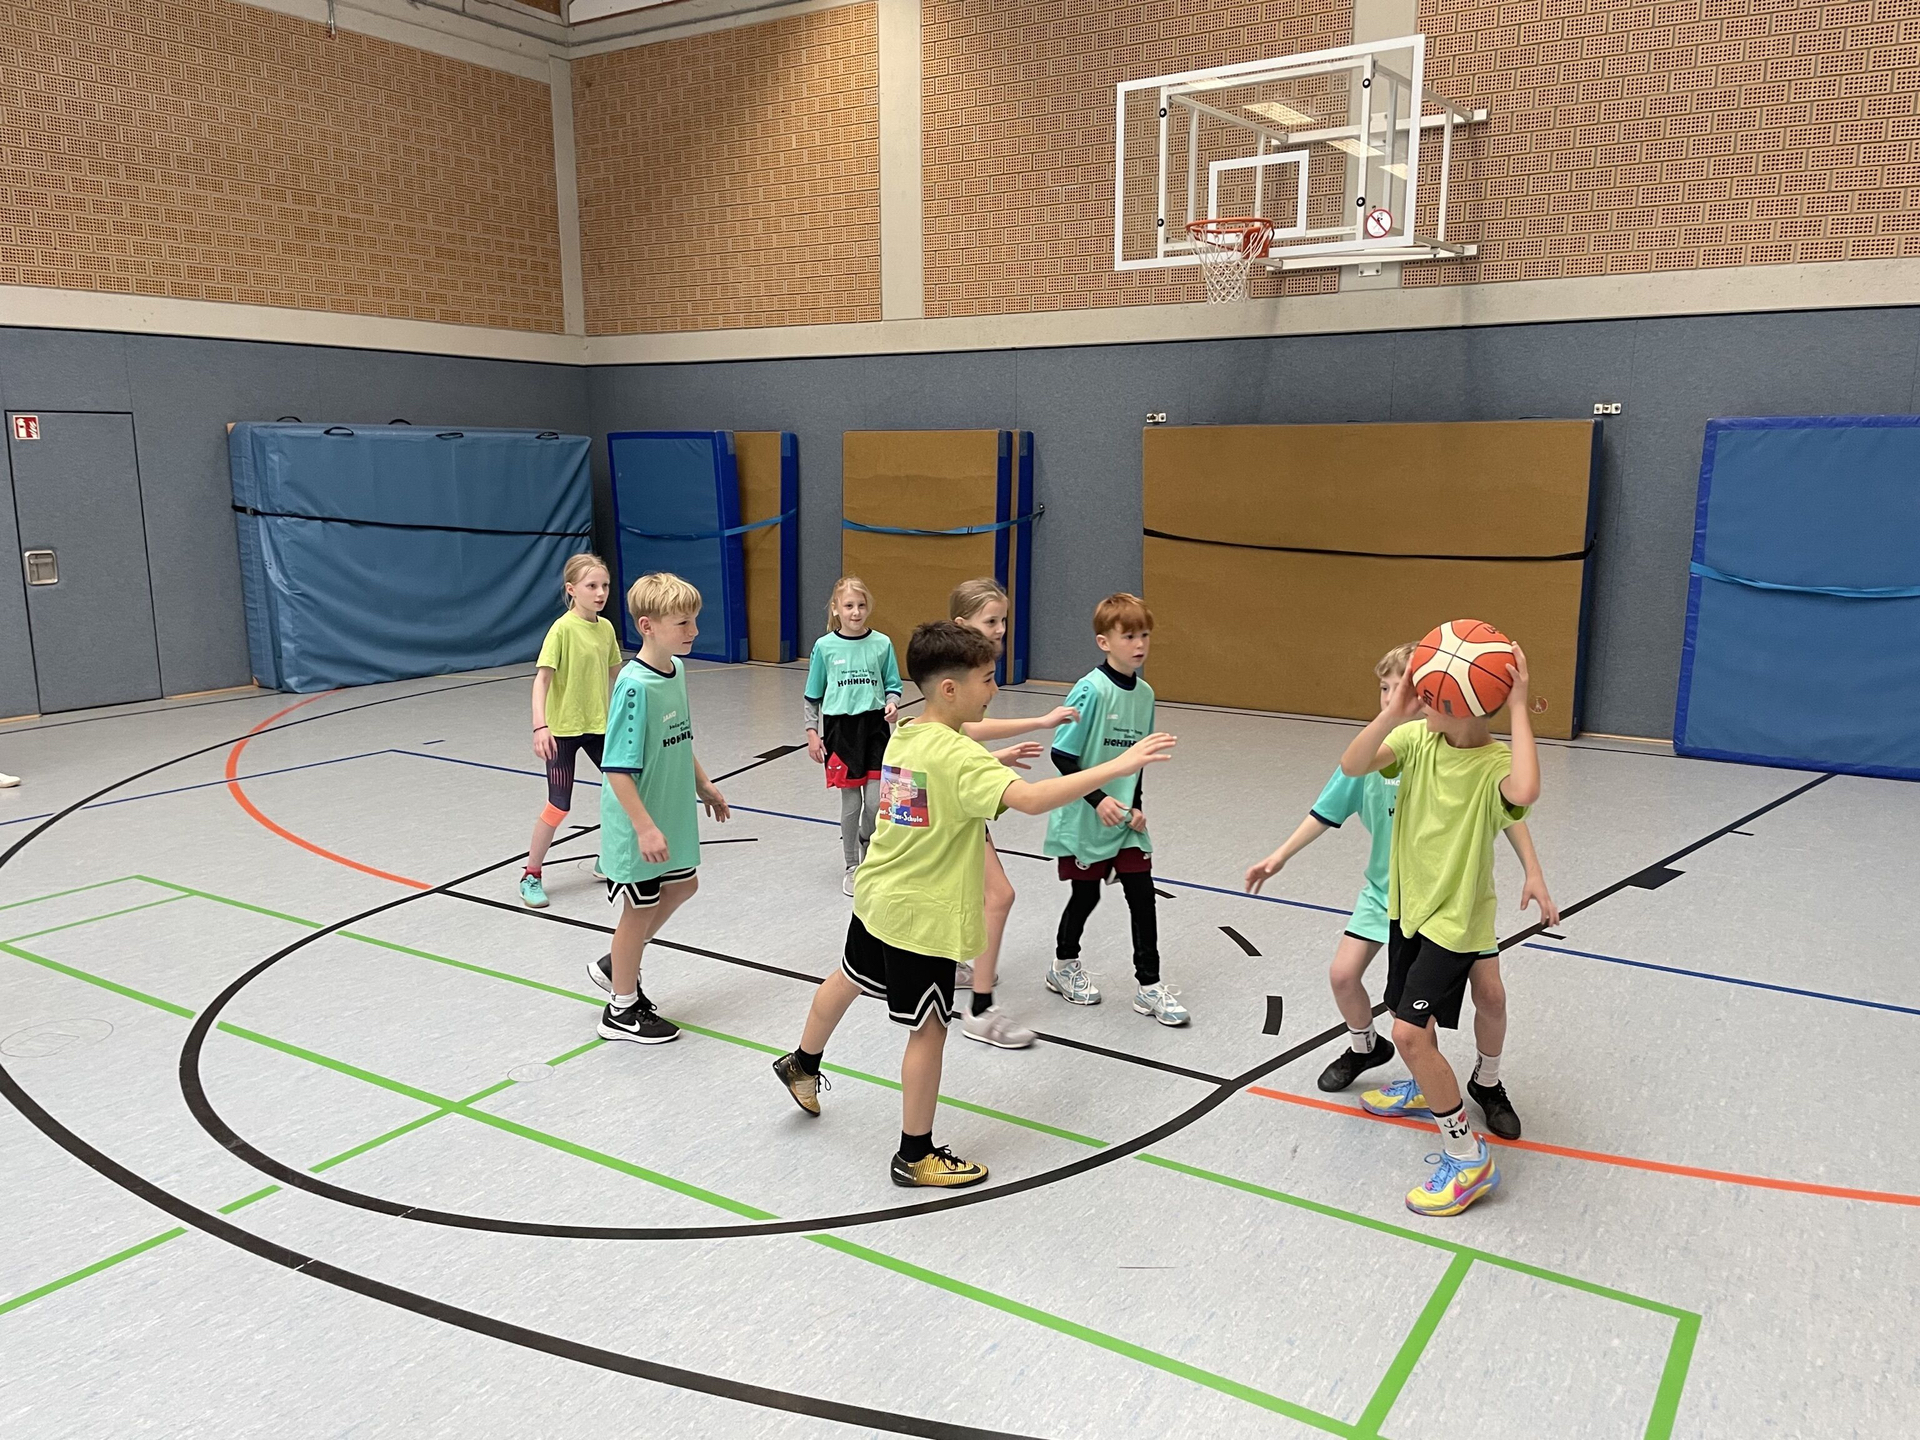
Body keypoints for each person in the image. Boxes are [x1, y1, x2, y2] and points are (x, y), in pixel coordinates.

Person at [771, 621, 1175, 1187]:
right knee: (929, 1028)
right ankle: (915, 1154)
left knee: (847, 978)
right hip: (922, 917)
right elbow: (1031, 800)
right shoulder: (962, 758)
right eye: (986, 679)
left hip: (878, 895)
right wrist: (1118, 766)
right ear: (950, 689)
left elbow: (943, 772)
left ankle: (801, 1062)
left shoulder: (907, 732)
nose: (994, 689)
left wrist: (996, 757)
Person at [1245, 643, 1559, 1132]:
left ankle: (1484, 1088)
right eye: (1390, 690)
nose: (1404, 699)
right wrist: (1393, 714)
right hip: (1398, 901)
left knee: (1484, 999)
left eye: (1416, 692)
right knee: (1377, 997)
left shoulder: (1484, 763)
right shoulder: (1407, 742)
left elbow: (1514, 803)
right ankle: (1396, 1066)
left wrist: (1533, 870)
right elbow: (1345, 775)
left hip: (1458, 908)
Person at [1333, 639, 1542, 1217]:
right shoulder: (1415, 740)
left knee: (1406, 1033)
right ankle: (1425, 1085)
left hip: (1455, 921)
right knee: (1409, 1016)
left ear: (1463, 703)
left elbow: (1525, 792)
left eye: (1430, 693)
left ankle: (1467, 1158)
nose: (1418, 699)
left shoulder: (1494, 765)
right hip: (1408, 909)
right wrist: (1393, 713)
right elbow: (1352, 765)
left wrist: (1518, 704)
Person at [583, 573, 729, 1044]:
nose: (694, 631)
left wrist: (704, 784)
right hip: (637, 823)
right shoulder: (634, 687)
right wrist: (643, 827)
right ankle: (620, 1010)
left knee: (684, 884)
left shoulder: (677, 671)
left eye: (694, 621)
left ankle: (617, 963)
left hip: (670, 813)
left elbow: (679, 736)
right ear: (647, 626)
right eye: (682, 623)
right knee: (638, 910)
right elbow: (616, 768)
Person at [946, 577, 1078, 1050]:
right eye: (991, 621)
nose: (1001, 629)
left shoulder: (971, 669)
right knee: (998, 894)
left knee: (972, 891)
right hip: (945, 801)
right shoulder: (957, 675)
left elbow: (962, 734)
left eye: (1003, 620)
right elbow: (962, 731)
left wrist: (1001, 753)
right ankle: (980, 1010)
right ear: (962, 624)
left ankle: (949, 967)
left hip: (955, 792)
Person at [1043, 593, 1186, 1025]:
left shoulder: (1145, 694)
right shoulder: (1091, 690)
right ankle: (1063, 965)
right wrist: (1099, 798)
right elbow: (1062, 755)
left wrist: (1135, 806)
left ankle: (1149, 986)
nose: (1139, 644)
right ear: (1104, 642)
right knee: (1085, 896)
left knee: (1142, 896)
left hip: (1124, 819)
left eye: (1145, 635)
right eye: (1129, 636)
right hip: (1085, 815)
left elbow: (1137, 760)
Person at [520, 554, 623, 909]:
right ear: (571, 589)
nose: (600, 593)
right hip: (562, 732)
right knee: (558, 805)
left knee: (626, 791)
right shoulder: (562, 629)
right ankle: (531, 874)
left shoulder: (606, 629)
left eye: (605, 585)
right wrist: (540, 726)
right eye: (591, 586)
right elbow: (542, 681)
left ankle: (608, 859)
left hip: (599, 728)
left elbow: (619, 676)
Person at [802, 576, 901, 896]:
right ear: (836, 609)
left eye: (861, 605)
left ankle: (866, 842)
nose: (855, 612)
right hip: (840, 732)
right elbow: (812, 695)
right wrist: (812, 732)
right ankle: (851, 865)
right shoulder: (824, 647)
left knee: (874, 802)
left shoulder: (882, 643)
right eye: (848, 606)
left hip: (874, 729)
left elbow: (893, 685)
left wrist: (892, 703)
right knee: (851, 803)